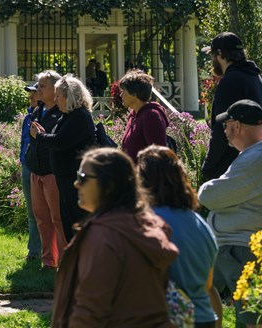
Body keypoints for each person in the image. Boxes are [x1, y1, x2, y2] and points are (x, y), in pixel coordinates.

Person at [52, 147, 178, 327]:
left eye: (83, 178)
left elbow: (90, 310)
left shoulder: (102, 235)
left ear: (109, 185)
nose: (76, 184)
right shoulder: (150, 225)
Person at [137, 145, 220, 328]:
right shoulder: (200, 224)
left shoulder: (147, 222)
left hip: (169, 319)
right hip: (204, 318)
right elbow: (208, 285)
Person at [199, 99, 262, 327]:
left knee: (251, 318)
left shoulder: (256, 157)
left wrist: (206, 187)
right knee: (198, 295)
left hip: (242, 248)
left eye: (226, 126)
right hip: (234, 245)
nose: (225, 131)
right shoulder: (251, 155)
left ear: (236, 126)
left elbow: (211, 196)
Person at [30, 74, 96, 242]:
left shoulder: (80, 116)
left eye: (59, 95)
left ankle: (81, 262)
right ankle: (72, 262)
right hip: (64, 177)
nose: (56, 99)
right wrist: (43, 135)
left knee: (77, 222)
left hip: (74, 178)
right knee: (68, 223)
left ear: (70, 96)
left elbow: (60, 141)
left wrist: (40, 136)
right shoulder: (66, 115)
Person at [201, 32, 262, 181]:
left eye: (213, 55)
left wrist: (208, 168)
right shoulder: (255, 76)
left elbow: (221, 128)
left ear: (220, 54)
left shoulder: (230, 81)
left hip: (233, 168)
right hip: (255, 158)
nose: (212, 60)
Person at [24, 71, 67, 270]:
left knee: (58, 218)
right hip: (35, 170)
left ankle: (64, 262)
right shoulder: (36, 111)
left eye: (42, 86)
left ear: (54, 89)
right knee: (41, 218)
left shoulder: (63, 113)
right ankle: (48, 261)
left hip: (52, 172)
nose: (38, 89)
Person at [119, 69, 169, 162]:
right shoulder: (133, 115)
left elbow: (158, 156)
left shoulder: (151, 116)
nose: (121, 95)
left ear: (134, 93)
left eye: (123, 91)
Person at [20, 82, 43, 262]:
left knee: (44, 212)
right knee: (31, 212)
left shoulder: (46, 115)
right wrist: (23, 160)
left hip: (42, 167)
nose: (31, 96)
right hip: (27, 166)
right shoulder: (29, 116)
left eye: (34, 93)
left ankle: (47, 252)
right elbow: (24, 142)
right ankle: (34, 251)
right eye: (31, 94)